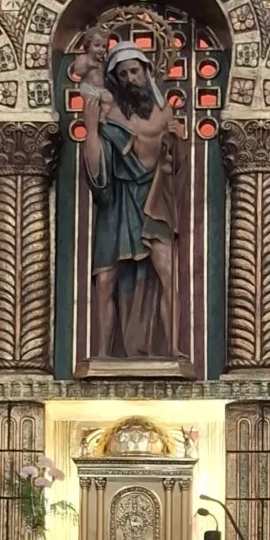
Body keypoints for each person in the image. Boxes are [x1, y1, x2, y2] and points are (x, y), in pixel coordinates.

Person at [82, 40, 186, 363]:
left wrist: (177, 141)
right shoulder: (109, 111)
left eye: (135, 71)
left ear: (146, 70)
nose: (130, 78)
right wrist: (91, 130)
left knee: (167, 271)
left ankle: (173, 349)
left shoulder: (165, 111)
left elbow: (175, 166)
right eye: (123, 74)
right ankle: (102, 352)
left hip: (153, 197)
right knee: (105, 280)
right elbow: (96, 170)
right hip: (118, 199)